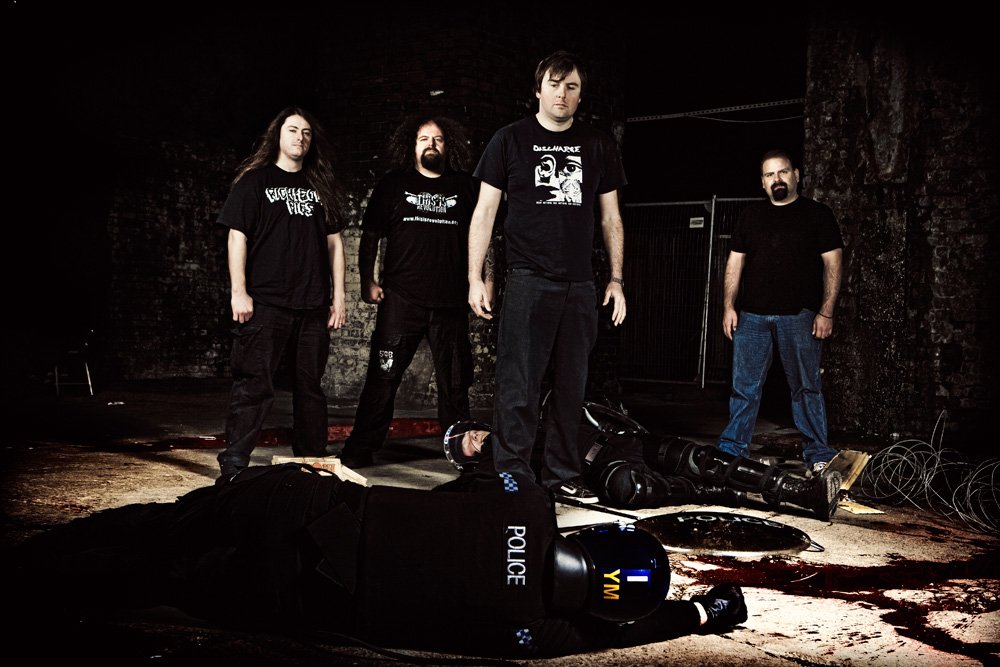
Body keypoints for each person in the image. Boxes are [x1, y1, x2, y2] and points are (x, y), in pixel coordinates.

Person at [6, 464, 748, 660]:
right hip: (301, 592)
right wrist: (698, 614)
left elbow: (474, 476)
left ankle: (34, 556)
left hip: (303, 504)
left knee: (163, 526)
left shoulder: (528, 501)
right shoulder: (532, 628)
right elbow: (613, 634)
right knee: (155, 580)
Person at [467, 50, 626, 504]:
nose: (562, 94)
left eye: (571, 87)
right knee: (518, 384)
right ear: (538, 90)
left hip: (579, 285)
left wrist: (616, 279)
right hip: (527, 279)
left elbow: (611, 218)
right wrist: (475, 277)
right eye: (555, 85)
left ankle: (562, 476)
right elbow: (484, 213)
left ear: (580, 95)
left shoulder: (597, 145)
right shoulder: (509, 140)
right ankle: (513, 476)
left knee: (571, 386)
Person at [215, 106, 350, 481]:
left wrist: (339, 297)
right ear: (277, 135)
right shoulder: (255, 181)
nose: (300, 137)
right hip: (266, 303)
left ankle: (312, 461)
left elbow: (335, 244)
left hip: (312, 306)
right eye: (293, 130)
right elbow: (237, 237)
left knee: (310, 388)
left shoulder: (320, 186)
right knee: (254, 386)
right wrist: (239, 292)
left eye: (306, 132)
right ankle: (234, 466)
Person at [339, 115, 478, 469]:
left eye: (438, 139)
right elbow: (371, 236)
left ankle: (462, 453)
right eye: (423, 139)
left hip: (450, 302)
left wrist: (483, 281)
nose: (431, 144)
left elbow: (484, 237)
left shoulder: (466, 187)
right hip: (401, 300)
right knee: (382, 378)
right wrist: (367, 281)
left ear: (448, 146)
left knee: (455, 384)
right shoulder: (393, 185)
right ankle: (359, 450)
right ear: (411, 146)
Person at [442, 399, 844, 522]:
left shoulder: (522, 419)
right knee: (629, 489)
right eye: (470, 448)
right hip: (604, 468)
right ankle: (718, 494)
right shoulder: (505, 463)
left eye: (472, 433)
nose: (476, 440)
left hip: (623, 441)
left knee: (700, 458)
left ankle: (800, 491)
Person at [718, 149, 843, 475]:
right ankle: (731, 453)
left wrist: (826, 311)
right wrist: (729, 306)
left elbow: (833, 263)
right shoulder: (750, 216)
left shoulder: (817, 214)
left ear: (796, 175)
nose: (777, 179)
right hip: (752, 318)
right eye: (770, 174)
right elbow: (735, 263)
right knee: (743, 389)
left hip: (800, 317)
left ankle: (818, 455)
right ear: (762, 182)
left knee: (806, 388)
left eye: (783, 172)